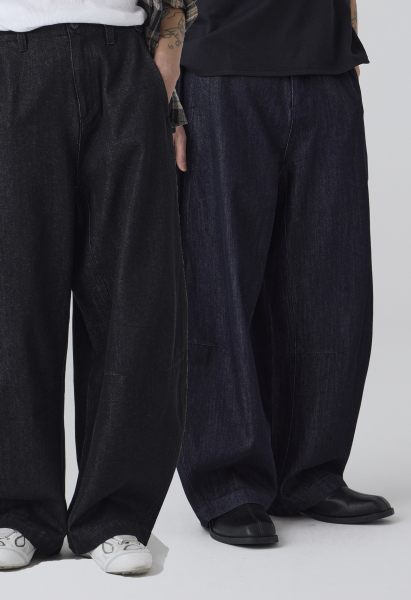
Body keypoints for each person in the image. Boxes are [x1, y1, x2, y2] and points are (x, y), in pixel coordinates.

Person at [0, 0, 197, 573]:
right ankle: (18, 512)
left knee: (134, 297)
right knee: (5, 295)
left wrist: (165, 64)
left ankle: (116, 516)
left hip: (126, 63)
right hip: (15, 63)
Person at [175, 0, 394, 546]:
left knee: (331, 281)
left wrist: (345, 42)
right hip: (218, 69)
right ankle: (226, 483)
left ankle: (310, 473)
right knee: (219, 284)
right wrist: (166, 92)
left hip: (325, 69)